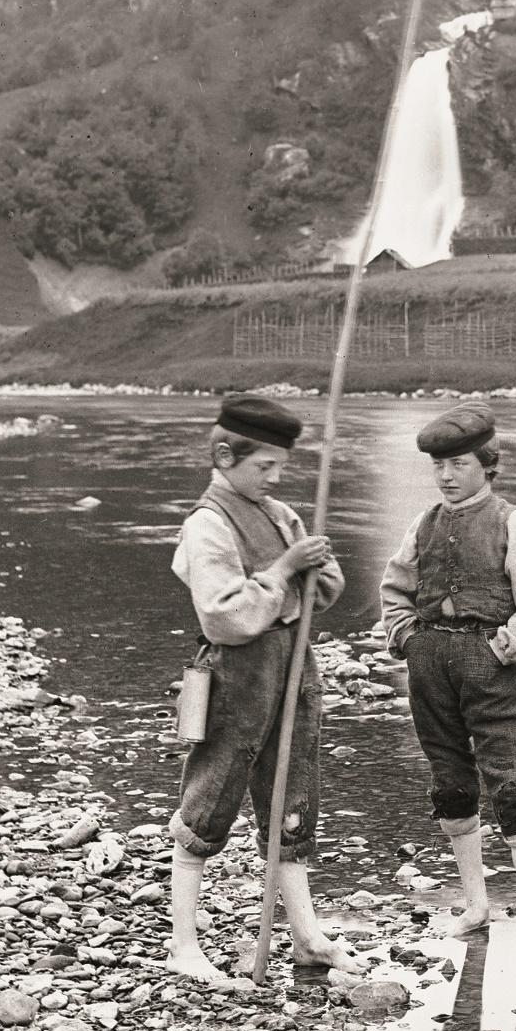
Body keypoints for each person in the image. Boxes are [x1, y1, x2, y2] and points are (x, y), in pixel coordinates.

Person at [167, 393, 363, 986]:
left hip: (293, 672)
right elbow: (222, 616)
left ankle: (305, 937)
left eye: (280, 466)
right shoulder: (207, 524)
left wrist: (316, 568)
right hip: (236, 679)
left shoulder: (280, 516)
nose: (275, 478)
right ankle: (183, 945)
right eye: (264, 467)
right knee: (210, 801)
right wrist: (282, 573)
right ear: (225, 455)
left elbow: (322, 597)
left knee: (293, 801)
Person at [380, 402, 516, 971]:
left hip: (488, 663)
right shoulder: (422, 525)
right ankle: (475, 906)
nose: (446, 476)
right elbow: (394, 587)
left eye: (459, 464)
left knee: (512, 785)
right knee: (449, 781)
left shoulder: (514, 524)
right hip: (428, 664)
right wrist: (407, 638)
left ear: (487, 465)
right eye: (439, 465)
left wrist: (501, 649)